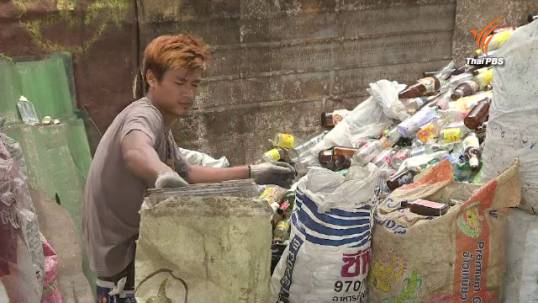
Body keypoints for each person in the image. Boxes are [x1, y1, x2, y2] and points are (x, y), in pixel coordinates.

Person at [83, 34, 295, 303]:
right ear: (151, 78)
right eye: (179, 82)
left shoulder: (162, 127)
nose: (189, 94)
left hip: (133, 253)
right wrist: (161, 173)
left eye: (194, 84)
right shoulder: (143, 114)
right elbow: (136, 150)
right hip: (120, 264)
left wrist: (254, 171)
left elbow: (189, 174)